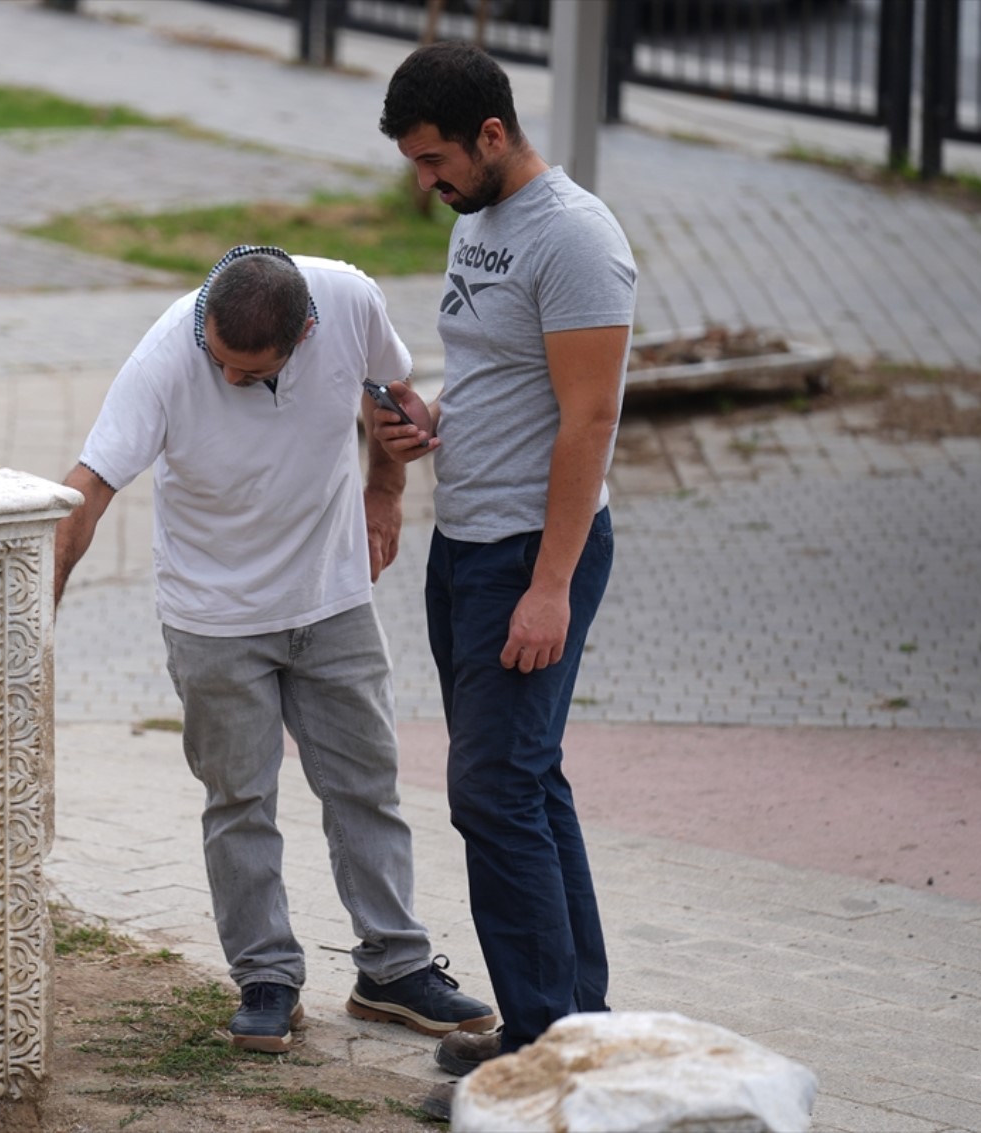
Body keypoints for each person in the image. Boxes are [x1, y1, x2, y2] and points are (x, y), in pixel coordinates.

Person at [52, 245, 496, 1054]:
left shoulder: (349, 300)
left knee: (366, 784)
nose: (226, 380)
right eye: (217, 361)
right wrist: (34, 615)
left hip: (330, 596)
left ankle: (392, 969)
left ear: (303, 335)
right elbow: (89, 488)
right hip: (213, 615)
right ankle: (267, 976)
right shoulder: (167, 355)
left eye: (247, 373)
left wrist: (384, 490)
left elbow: (390, 395)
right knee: (240, 798)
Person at [372, 42, 638, 1121]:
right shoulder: (479, 223)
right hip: (464, 545)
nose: (423, 185)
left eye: (434, 161)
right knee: (526, 781)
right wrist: (436, 417)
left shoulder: (573, 238)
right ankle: (574, 1022)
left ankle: (539, 1063)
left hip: (529, 555)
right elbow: (501, 369)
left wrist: (549, 584)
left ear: (491, 134)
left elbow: (589, 416)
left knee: (490, 790)